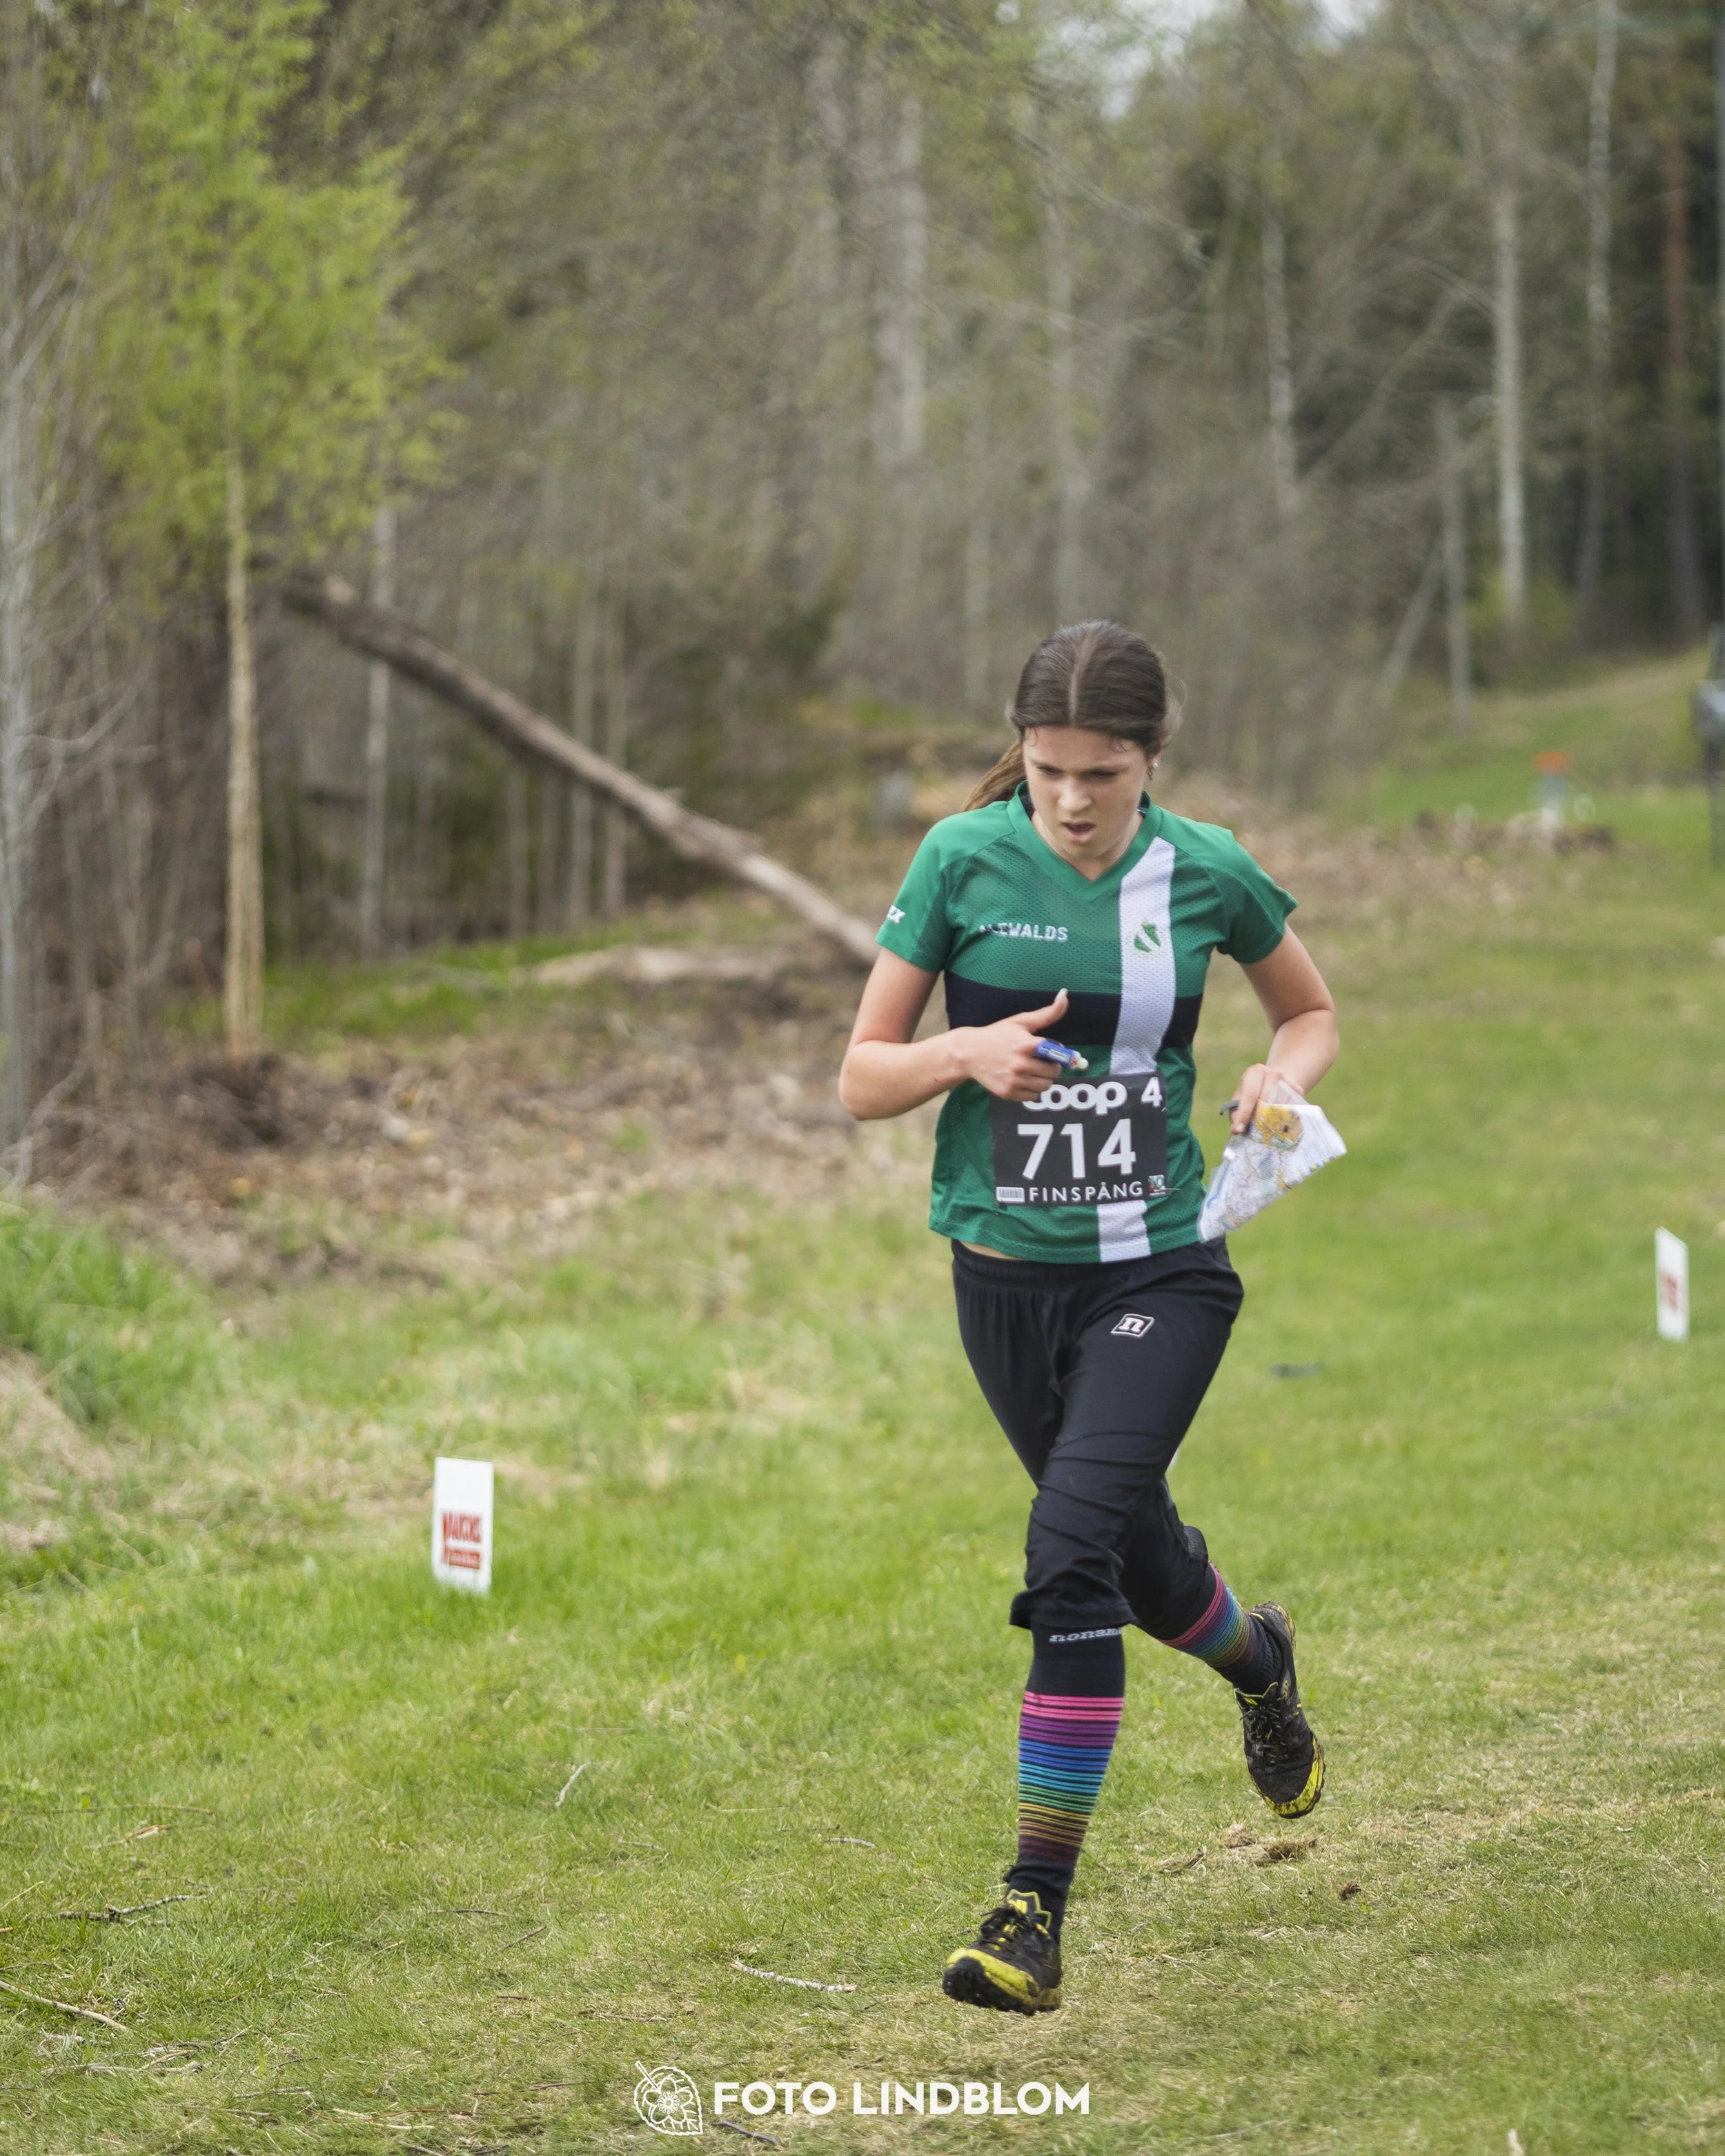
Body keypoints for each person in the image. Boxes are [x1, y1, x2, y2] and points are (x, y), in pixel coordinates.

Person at [838, 621, 1339, 2017]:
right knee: (1137, 1563)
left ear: (1150, 763)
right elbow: (860, 1077)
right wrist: (960, 1048)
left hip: (1158, 1269)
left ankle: (1028, 1913)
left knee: (1066, 1554)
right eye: (1050, 770)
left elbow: (1308, 1015)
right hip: (1001, 1273)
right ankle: (1260, 1659)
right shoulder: (957, 859)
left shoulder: (1205, 868)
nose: (1070, 799)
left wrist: (1271, 1077)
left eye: (1102, 775)